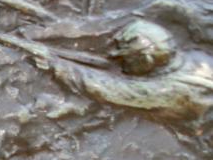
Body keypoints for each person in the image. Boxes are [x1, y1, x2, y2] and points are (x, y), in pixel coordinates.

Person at [38, 19, 213, 135]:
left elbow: (103, 88)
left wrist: (52, 63)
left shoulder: (171, 90)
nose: (118, 61)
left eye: (126, 58)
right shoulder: (197, 60)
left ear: (146, 59)